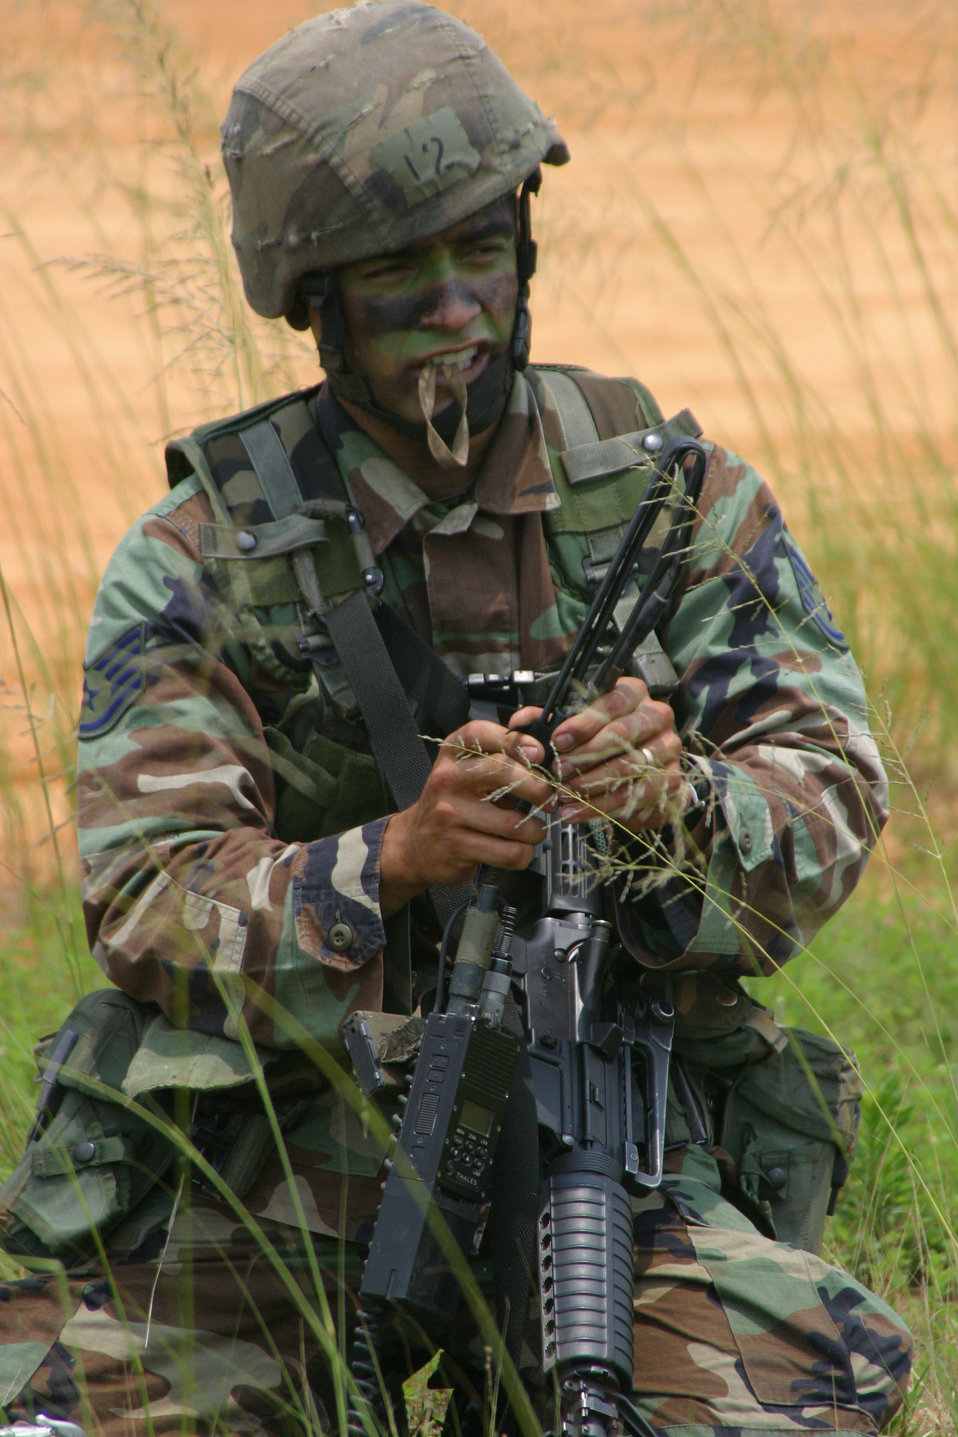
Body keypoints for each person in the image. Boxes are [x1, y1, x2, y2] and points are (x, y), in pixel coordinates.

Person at [0, 4, 912, 1436]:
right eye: (397, 272)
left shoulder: (672, 501)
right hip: (285, 1136)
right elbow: (146, 901)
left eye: (479, 250)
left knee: (774, 1406)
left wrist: (673, 806)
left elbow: (832, 794)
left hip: (599, 1121)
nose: (454, 307)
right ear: (316, 301)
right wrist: (394, 859)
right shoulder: (201, 554)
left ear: (525, 248)